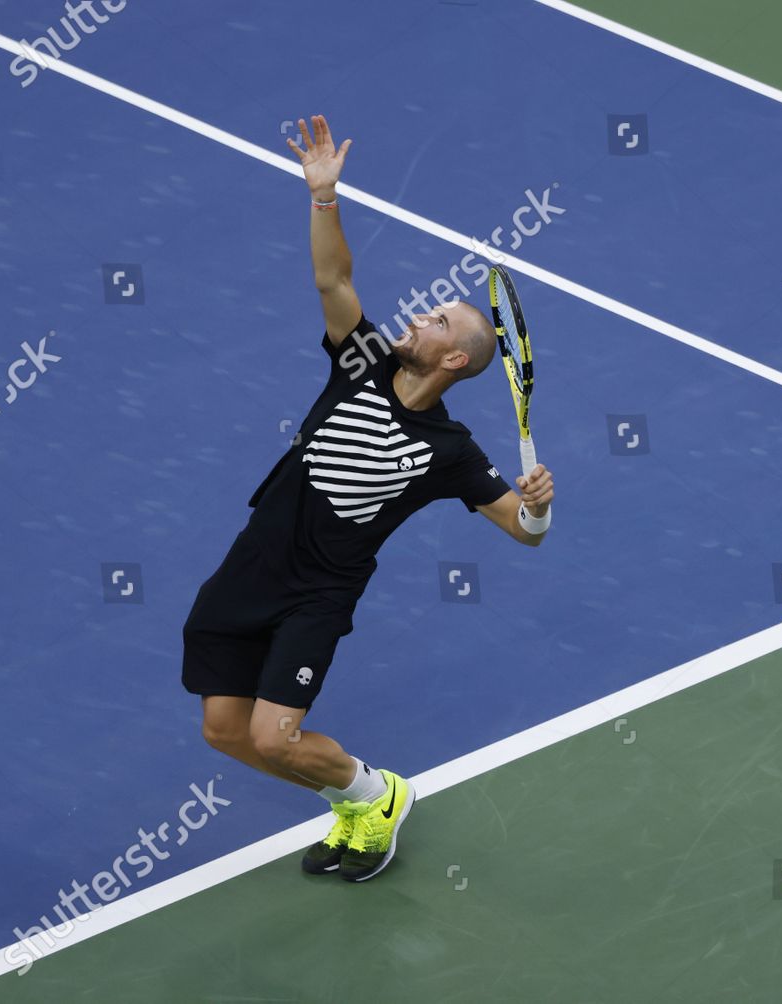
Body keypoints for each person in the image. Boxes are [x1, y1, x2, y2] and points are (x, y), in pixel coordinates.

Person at [181, 114, 554, 882]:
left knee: (276, 736)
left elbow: (524, 530)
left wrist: (539, 502)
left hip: (317, 593)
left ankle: (375, 795)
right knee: (226, 732)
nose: (421, 315)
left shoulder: (450, 452)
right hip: (252, 564)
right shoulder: (363, 363)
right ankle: (352, 804)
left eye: (440, 320)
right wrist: (324, 196)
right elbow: (334, 280)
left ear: (455, 357)